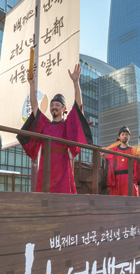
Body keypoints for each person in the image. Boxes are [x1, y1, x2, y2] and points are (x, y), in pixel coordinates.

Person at [17, 64, 93, 193]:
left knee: (62, 197)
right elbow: (35, 105)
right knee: (43, 197)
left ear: (63, 109)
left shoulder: (67, 125)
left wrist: (76, 82)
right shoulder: (44, 124)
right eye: (52, 105)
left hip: (62, 165)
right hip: (45, 164)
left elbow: (78, 105)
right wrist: (32, 84)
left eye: (57, 105)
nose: (54, 107)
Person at [104, 126, 140, 196]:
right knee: (117, 202)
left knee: (132, 201)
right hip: (117, 180)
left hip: (130, 179)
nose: (124, 136)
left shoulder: (134, 150)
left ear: (129, 137)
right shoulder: (114, 150)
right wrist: (102, 156)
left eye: (126, 134)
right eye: (122, 134)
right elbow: (109, 163)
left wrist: (139, 153)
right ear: (119, 137)